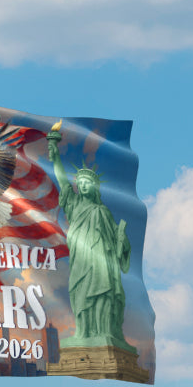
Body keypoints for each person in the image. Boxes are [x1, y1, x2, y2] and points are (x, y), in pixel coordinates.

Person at [46, 127, 133, 349]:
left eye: (88, 183)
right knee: (79, 291)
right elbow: (61, 178)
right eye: (81, 182)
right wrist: (54, 151)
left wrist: (122, 243)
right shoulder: (73, 204)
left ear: (94, 187)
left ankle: (104, 331)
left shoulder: (103, 212)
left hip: (101, 258)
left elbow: (117, 239)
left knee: (103, 293)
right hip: (81, 256)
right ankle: (83, 332)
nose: (83, 185)